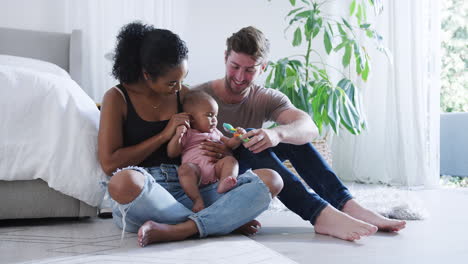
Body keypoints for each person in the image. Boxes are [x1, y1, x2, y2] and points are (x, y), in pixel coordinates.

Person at [194, 26, 406, 241]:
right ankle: (319, 214)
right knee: (250, 138)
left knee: (277, 136)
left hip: (245, 177)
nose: (240, 76)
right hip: (213, 182)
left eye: (250, 70)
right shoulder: (198, 96)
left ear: (263, 68)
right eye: (235, 66)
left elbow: (309, 127)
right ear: (225, 58)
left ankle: (347, 205)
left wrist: (277, 134)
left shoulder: (264, 97)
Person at [98, 22, 283, 247]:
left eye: (182, 80)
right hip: (148, 194)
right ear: (147, 75)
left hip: (192, 188)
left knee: (271, 180)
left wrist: (225, 147)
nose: (179, 88)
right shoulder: (117, 98)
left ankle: (181, 229)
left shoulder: (184, 95)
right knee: (121, 183)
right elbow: (109, 164)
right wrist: (164, 135)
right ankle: (219, 221)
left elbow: (209, 134)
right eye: (172, 82)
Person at [167, 91, 245, 212]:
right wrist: (178, 136)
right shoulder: (188, 133)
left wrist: (237, 138)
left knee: (231, 161)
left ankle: (226, 181)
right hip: (196, 171)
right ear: (191, 119)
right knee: (184, 169)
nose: (214, 120)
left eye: (216, 116)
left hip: (215, 169)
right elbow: (172, 153)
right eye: (209, 115)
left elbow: (230, 144)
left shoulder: (215, 133)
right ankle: (197, 199)